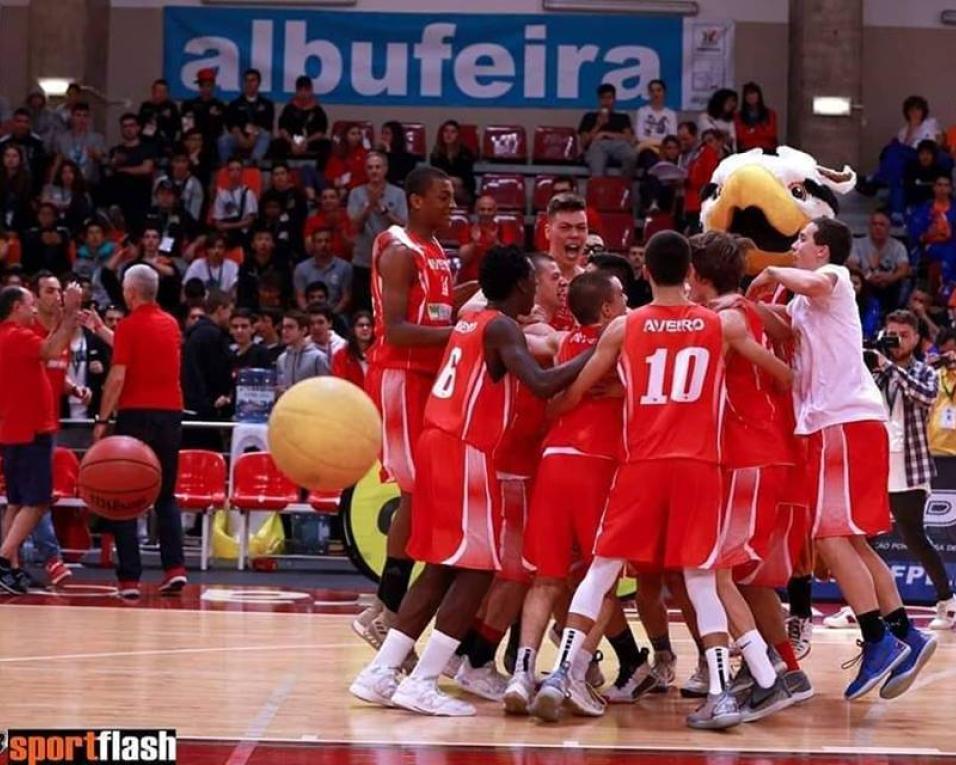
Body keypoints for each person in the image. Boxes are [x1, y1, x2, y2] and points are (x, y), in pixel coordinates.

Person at [530, 231, 792, 728]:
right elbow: (781, 372)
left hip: (642, 464)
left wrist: (554, 413)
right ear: (689, 275)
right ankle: (721, 693)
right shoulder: (721, 325)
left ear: (645, 272)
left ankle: (563, 671)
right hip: (699, 466)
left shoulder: (624, 329)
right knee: (700, 581)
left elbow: (574, 391)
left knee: (602, 568)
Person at [350, 244, 594, 716]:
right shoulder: (501, 326)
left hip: (436, 442)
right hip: (466, 451)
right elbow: (542, 385)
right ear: (521, 285)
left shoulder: (470, 321)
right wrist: (598, 351)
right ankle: (422, 680)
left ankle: (382, 670)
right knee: (479, 569)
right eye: (530, 285)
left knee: (441, 567)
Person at [748, 217, 936, 701]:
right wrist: (738, 305)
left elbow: (807, 281)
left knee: (828, 538)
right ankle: (905, 634)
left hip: (843, 423)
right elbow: (779, 323)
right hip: (838, 426)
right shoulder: (803, 303)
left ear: (824, 250)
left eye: (803, 239)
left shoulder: (833, 281)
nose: (795, 245)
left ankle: (877, 641)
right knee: (850, 541)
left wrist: (769, 270)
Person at [687, 231, 812, 710]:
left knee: (715, 571)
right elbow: (785, 358)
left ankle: (765, 678)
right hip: (770, 453)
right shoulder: (750, 312)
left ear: (696, 277)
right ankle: (787, 670)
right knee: (747, 578)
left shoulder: (720, 321)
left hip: (746, 455)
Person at [505, 270, 627, 713]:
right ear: (609, 310)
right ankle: (569, 675)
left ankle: (522, 673)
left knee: (546, 579)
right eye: (622, 296)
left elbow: (529, 338)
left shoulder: (562, 341)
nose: (627, 302)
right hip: (599, 464)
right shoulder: (625, 341)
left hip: (553, 459)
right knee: (604, 581)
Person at [351, 166, 462, 650]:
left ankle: (384, 604)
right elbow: (395, 330)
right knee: (417, 494)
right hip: (398, 377)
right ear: (416, 201)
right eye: (443, 196)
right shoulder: (399, 252)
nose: (451, 203)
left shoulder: (436, 251)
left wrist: (481, 297)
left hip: (425, 377)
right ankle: (385, 608)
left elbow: (437, 310)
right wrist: (465, 333)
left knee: (428, 492)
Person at [93, 264, 187, 598]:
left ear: (130, 292)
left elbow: (118, 376)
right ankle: (175, 569)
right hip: (170, 415)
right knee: (165, 496)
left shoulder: (131, 326)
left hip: (136, 415)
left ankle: (129, 579)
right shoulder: (171, 324)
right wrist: (103, 330)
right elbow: (140, 347)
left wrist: (102, 420)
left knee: (125, 496)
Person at [870, 310, 956, 629]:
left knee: (914, 536)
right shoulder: (874, 370)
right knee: (866, 540)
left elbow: (924, 397)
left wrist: (888, 367)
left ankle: (947, 600)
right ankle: (864, 605)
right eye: (892, 334)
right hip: (875, 464)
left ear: (917, 338)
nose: (897, 340)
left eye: (904, 335)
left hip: (909, 467)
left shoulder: (925, 372)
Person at [0, 282, 80, 594]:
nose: (34, 309)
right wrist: (71, 314)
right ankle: (4, 559)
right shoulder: (17, 336)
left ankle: (12, 570)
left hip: (14, 429)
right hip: (31, 429)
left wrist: (64, 319)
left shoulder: (9, 337)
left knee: (17, 503)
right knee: (36, 501)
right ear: (16, 307)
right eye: (30, 303)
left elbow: (48, 345)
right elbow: (50, 350)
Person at [347, 152, 408, 311]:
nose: (374, 171)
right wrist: (368, 207)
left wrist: (383, 210)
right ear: (366, 171)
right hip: (363, 259)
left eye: (378, 167)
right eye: (370, 168)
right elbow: (355, 225)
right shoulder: (356, 193)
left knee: (388, 308)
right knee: (363, 308)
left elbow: (404, 225)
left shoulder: (398, 193)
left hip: (390, 261)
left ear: (385, 169)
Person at [181, 289, 234, 430]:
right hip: (206, 409)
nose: (231, 317)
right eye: (230, 311)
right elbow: (216, 372)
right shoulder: (212, 335)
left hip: (189, 405)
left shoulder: (194, 334)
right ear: (220, 309)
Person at [847, 210, 910, 314]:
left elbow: (904, 269)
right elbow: (852, 264)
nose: (877, 227)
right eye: (874, 224)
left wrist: (890, 278)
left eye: (882, 224)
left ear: (889, 228)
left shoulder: (898, 246)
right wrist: (868, 276)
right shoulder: (857, 243)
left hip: (890, 286)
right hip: (865, 284)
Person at [104, 113, 157, 234]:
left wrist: (124, 169)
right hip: (120, 201)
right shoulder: (116, 150)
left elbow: (146, 169)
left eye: (131, 125)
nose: (128, 129)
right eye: (125, 126)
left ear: (138, 128)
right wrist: (113, 163)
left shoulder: (147, 148)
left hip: (140, 199)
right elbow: (110, 171)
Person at [544, 193, 589, 330]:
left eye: (581, 228)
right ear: (547, 231)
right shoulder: (528, 277)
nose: (574, 234)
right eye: (565, 228)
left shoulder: (593, 283)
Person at [578, 84, 636, 180]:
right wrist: (598, 125)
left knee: (631, 155)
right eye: (603, 98)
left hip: (618, 145)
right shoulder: (589, 117)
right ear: (599, 100)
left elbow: (629, 138)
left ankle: (624, 185)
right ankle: (599, 188)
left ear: (614, 100)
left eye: (609, 98)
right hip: (597, 145)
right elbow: (583, 143)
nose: (606, 102)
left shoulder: (623, 117)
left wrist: (604, 134)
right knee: (597, 165)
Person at [457, 194, 519, 283]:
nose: (486, 213)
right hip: (470, 281)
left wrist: (495, 242)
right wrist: (474, 242)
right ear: (476, 210)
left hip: (495, 280)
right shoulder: (468, 229)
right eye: (482, 209)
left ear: (495, 211)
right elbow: (463, 259)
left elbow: (508, 261)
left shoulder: (504, 229)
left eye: (489, 210)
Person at [908, 174, 956, 289]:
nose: (942, 189)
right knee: (949, 254)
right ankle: (945, 289)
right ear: (934, 187)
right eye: (939, 185)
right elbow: (916, 234)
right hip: (932, 245)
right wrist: (931, 233)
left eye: (946, 185)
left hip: (953, 244)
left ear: (950, 189)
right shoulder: (924, 209)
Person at [219, 68, 274, 163]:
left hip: (258, 137)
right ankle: (229, 167)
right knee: (223, 139)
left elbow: (267, 125)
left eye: (253, 80)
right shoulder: (234, 104)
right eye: (247, 80)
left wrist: (253, 136)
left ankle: (253, 165)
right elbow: (231, 124)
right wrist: (240, 136)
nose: (249, 83)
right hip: (239, 137)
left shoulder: (267, 104)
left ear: (258, 83)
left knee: (266, 135)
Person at [274, 76, 330, 166]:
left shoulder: (317, 110)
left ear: (311, 90)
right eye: (300, 90)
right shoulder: (289, 108)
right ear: (296, 91)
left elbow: (321, 131)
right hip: (291, 141)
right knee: (276, 144)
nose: (303, 93)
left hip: (310, 141)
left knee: (327, 145)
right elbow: (282, 129)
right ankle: (282, 171)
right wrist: (292, 142)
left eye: (306, 90)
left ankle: (320, 174)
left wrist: (306, 141)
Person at [294, 228, 352, 313]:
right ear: (313, 244)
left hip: (336, 313)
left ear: (332, 243)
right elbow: (300, 297)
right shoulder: (301, 268)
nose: (323, 244)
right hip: (309, 313)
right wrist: (309, 314)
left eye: (327, 241)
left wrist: (332, 315)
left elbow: (346, 297)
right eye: (319, 241)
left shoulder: (345, 267)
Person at [52, 101, 105, 187]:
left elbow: (103, 160)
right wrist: (50, 185)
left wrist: (96, 155)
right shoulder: (62, 139)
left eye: (85, 116)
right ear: (72, 117)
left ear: (88, 119)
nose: (82, 119)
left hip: (89, 183)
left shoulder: (97, 138)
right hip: (68, 183)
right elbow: (57, 163)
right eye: (78, 115)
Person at [276, 309, 329, 391]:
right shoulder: (281, 359)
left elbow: (326, 389)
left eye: (290, 327)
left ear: (303, 330)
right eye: (283, 327)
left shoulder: (318, 358)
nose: (285, 331)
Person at [212, 157, 258, 248]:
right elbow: (218, 223)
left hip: (243, 234)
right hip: (226, 234)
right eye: (231, 170)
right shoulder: (221, 194)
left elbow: (249, 221)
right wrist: (225, 228)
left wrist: (228, 226)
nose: (235, 173)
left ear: (242, 172)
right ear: (227, 173)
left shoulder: (248, 193)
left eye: (238, 169)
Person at [180, 68, 226, 158]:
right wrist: (195, 140)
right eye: (203, 86)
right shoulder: (189, 105)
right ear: (199, 87)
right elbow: (187, 127)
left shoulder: (219, 105)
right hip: (193, 140)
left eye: (208, 85)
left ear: (213, 86)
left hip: (211, 141)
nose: (206, 89)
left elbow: (219, 128)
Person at [429, 120, 477, 204]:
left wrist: (452, 181)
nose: (448, 134)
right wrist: (451, 180)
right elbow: (436, 176)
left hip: (463, 191)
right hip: (442, 189)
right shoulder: (436, 154)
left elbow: (467, 180)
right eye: (446, 131)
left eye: (452, 132)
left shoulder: (465, 154)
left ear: (458, 135)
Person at [303, 187, 354, 261]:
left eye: (332, 197)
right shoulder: (312, 221)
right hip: (320, 263)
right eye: (324, 198)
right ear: (321, 201)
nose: (328, 200)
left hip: (344, 263)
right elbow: (309, 250)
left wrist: (339, 228)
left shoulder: (349, 217)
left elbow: (353, 250)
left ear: (339, 200)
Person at [41, 159, 91, 235]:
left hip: (75, 229)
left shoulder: (81, 194)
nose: (67, 175)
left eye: (70, 172)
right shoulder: (53, 192)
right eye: (64, 172)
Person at [137, 79, 180, 155]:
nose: (161, 94)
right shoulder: (146, 106)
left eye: (164, 91)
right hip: (147, 141)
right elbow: (139, 125)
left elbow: (177, 126)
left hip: (166, 143)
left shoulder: (171, 106)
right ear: (153, 92)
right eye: (159, 91)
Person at [331, 310, 373, 389]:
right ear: (353, 329)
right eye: (360, 325)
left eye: (369, 325)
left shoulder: (379, 355)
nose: (365, 328)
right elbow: (339, 384)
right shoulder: (341, 356)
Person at [634, 79, 678, 152]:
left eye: (658, 90)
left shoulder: (671, 114)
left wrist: (653, 143)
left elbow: (672, 137)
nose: (655, 94)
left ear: (664, 92)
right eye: (652, 91)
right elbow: (640, 137)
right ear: (649, 93)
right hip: (645, 149)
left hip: (664, 149)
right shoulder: (642, 111)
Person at [326, 122, 369, 196]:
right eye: (353, 134)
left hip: (355, 187)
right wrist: (334, 180)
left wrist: (347, 186)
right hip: (336, 186)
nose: (357, 136)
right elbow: (330, 171)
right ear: (345, 135)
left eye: (359, 133)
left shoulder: (364, 153)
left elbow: (364, 175)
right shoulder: (337, 151)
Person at [734, 82, 778, 153]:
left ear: (759, 95)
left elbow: (771, 134)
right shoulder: (738, 116)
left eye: (753, 93)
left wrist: (751, 131)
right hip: (746, 150)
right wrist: (760, 130)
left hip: (766, 149)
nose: (751, 97)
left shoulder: (770, 114)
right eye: (748, 94)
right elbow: (741, 136)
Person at [698, 89, 738, 154]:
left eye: (733, 101)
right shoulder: (704, 117)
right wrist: (724, 135)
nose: (732, 104)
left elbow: (731, 140)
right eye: (729, 100)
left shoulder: (731, 121)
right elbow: (714, 136)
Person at [379, 120, 417, 187]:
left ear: (396, 136)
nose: (383, 137)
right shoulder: (378, 155)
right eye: (382, 133)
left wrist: (389, 152)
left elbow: (393, 176)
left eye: (387, 133)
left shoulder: (407, 158)